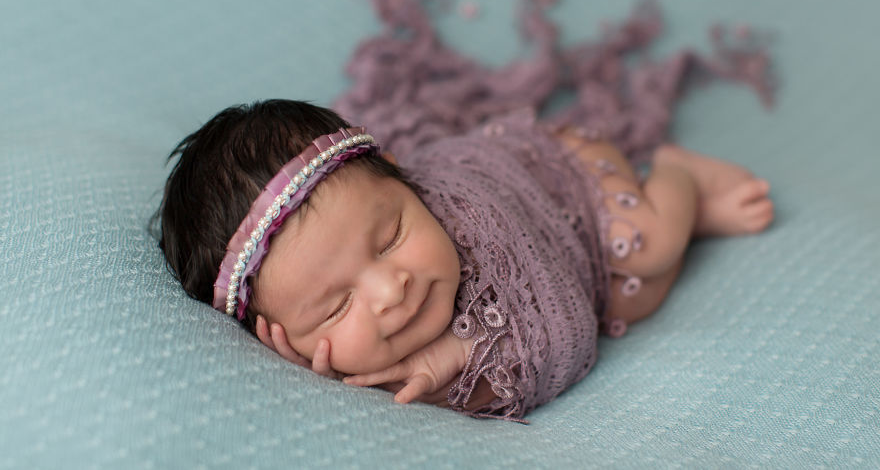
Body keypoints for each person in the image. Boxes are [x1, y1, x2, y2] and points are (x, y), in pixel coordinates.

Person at [155, 98, 773, 421]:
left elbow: (570, 329)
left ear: (400, 176)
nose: (390, 291)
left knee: (647, 259)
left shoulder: (473, 223)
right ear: (280, 336)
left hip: (568, 173)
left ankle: (676, 176)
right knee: (640, 287)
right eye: (336, 306)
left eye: (391, 236)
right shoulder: (326, 346)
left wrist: (453, 357)